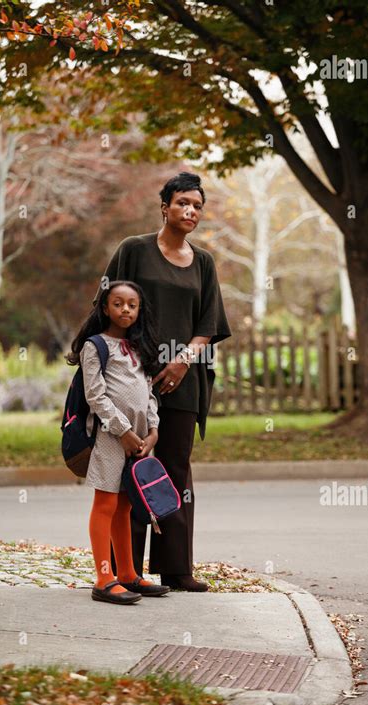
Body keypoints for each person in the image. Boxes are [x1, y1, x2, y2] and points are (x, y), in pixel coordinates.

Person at [92, 171, 232, 592]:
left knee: (174, 467)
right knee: (131, 467)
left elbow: (208, 324)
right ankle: (125, 570)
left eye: (197, 206)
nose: (190, 211)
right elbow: (108, 301)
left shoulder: (203, 263)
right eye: (182, 203)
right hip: (131, 378)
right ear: (165, 207)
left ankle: (176, 568)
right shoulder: (133, 250)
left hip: (183, 380)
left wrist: (183, 362)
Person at [65, 280, 171, 605]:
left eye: (132, 305)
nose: (125, 309)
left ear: (139, 311)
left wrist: (152, 432)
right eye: (118, 303)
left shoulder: (138, 347)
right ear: (105, 308)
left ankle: (127, 573)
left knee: (125, 505)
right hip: (109, 436)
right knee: (106, 504)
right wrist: (123, 431)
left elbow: (148, 392)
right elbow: (96, 395)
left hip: (138, 438)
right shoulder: (95, 346)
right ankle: (103, 577)